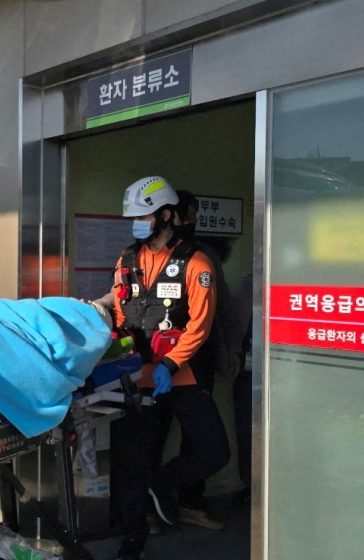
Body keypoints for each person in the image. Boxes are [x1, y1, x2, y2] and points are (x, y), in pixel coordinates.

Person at [92, 176, 227, 560]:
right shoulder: (126, 260)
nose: (137, 223)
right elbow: (120, 312)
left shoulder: (196, 262)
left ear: (167, 215)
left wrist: (170, 362)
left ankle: (162, 484)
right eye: (133, 217)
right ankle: (132, 541)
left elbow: (200, 323)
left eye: (144, 215)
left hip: (180, 376)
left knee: (214, 451)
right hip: (136, 378)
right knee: (131, 461)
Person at [139, 190, 241, 530]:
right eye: (189, 215)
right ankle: (148, 510)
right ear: (173, 216)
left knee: (198, 440)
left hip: (194, 364)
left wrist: (231, 350)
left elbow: (219, 310)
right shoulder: (137, 257)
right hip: (152, 367)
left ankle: (188, 502)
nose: (193, 221)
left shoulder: (201, 257)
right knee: (151, 438)